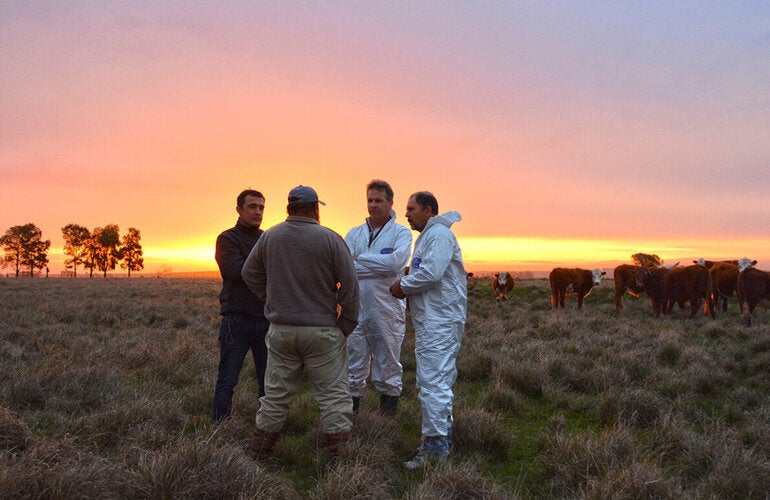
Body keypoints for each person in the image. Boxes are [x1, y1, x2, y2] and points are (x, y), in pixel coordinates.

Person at [242, 185, 359, 460]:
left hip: (281, 331)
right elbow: (350, 285)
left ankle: (258, 457)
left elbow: (249, 272)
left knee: (274, 398)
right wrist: (346, 324)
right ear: (315, 209)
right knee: (333, 399)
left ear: (288, 209)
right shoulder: (330, 239)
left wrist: (269, 297)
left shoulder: (270, 236)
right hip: (323, 332)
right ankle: (340, 463)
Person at [389, 191, 467, 469]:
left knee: (433, 384)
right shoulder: (429, 236)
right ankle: (441, 441)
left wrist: (403, 285)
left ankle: (434, 448)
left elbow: (431, 274)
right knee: (435, 382)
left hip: (439, 322)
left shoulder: (439, 236)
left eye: (411, 209)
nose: (407, 214)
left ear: (429, 210)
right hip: (434, 321)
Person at [345, 180, 412, 415]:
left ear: (390, 203)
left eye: (378, 201)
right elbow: (344, 268)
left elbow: (395, 263)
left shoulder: (401, 233)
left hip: (387, 310)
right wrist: (378, 266)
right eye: (370, 200)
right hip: (356, 309)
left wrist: (358, 258)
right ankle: (350, 423)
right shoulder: (354, 233)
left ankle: (386, 425)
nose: (373, 205)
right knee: (353, 365)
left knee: (388, 365)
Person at [211, 189, 270, 423]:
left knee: (268, 382)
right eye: (252, 207)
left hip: (265, 319)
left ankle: (267, 431)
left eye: (261, 208)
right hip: (236, 320)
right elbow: (237, 271)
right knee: (227, 379)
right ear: (239, 210)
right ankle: (219, 429)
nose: (257, 212)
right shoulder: (227, 239)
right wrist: (266, 272)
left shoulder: (268, 238)